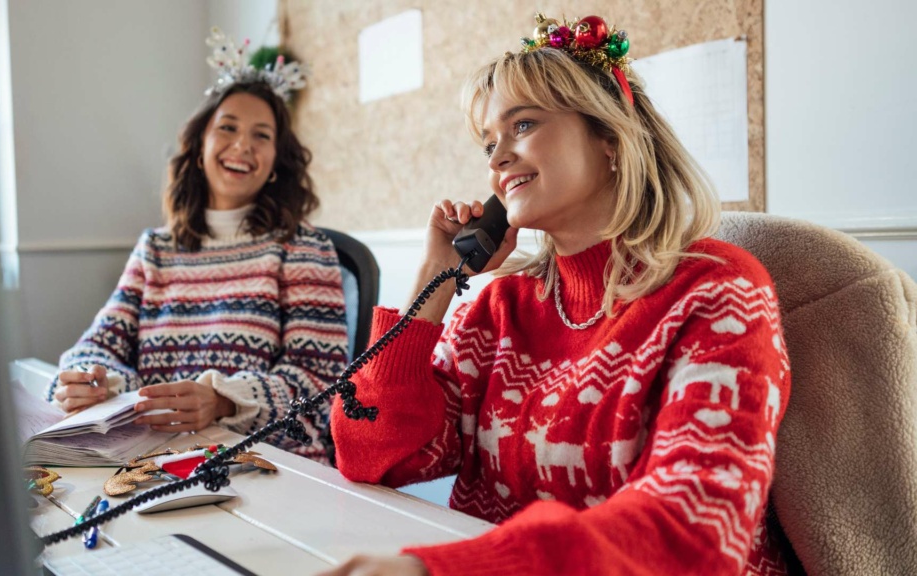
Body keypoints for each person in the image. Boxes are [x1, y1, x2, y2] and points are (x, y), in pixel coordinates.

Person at [326, 14, 790, 575]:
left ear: (611, 139)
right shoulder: (503, 309)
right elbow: (372, 455)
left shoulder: (719, 292)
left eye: (522, 126)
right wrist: (433, 280)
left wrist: (449, 570)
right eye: (488, 143)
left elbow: (693, 530)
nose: (497, 159)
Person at [48, 29, 348, 463]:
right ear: (199, 146)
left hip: (264, 466)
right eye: (227, 127)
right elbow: (97, 346)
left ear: (277, 162)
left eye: (262, 135)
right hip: (152, 461)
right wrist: (92, 378)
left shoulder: (303, 249)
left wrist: (224, 400)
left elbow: (323, 387)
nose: (243, 144)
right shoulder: (156, 250)